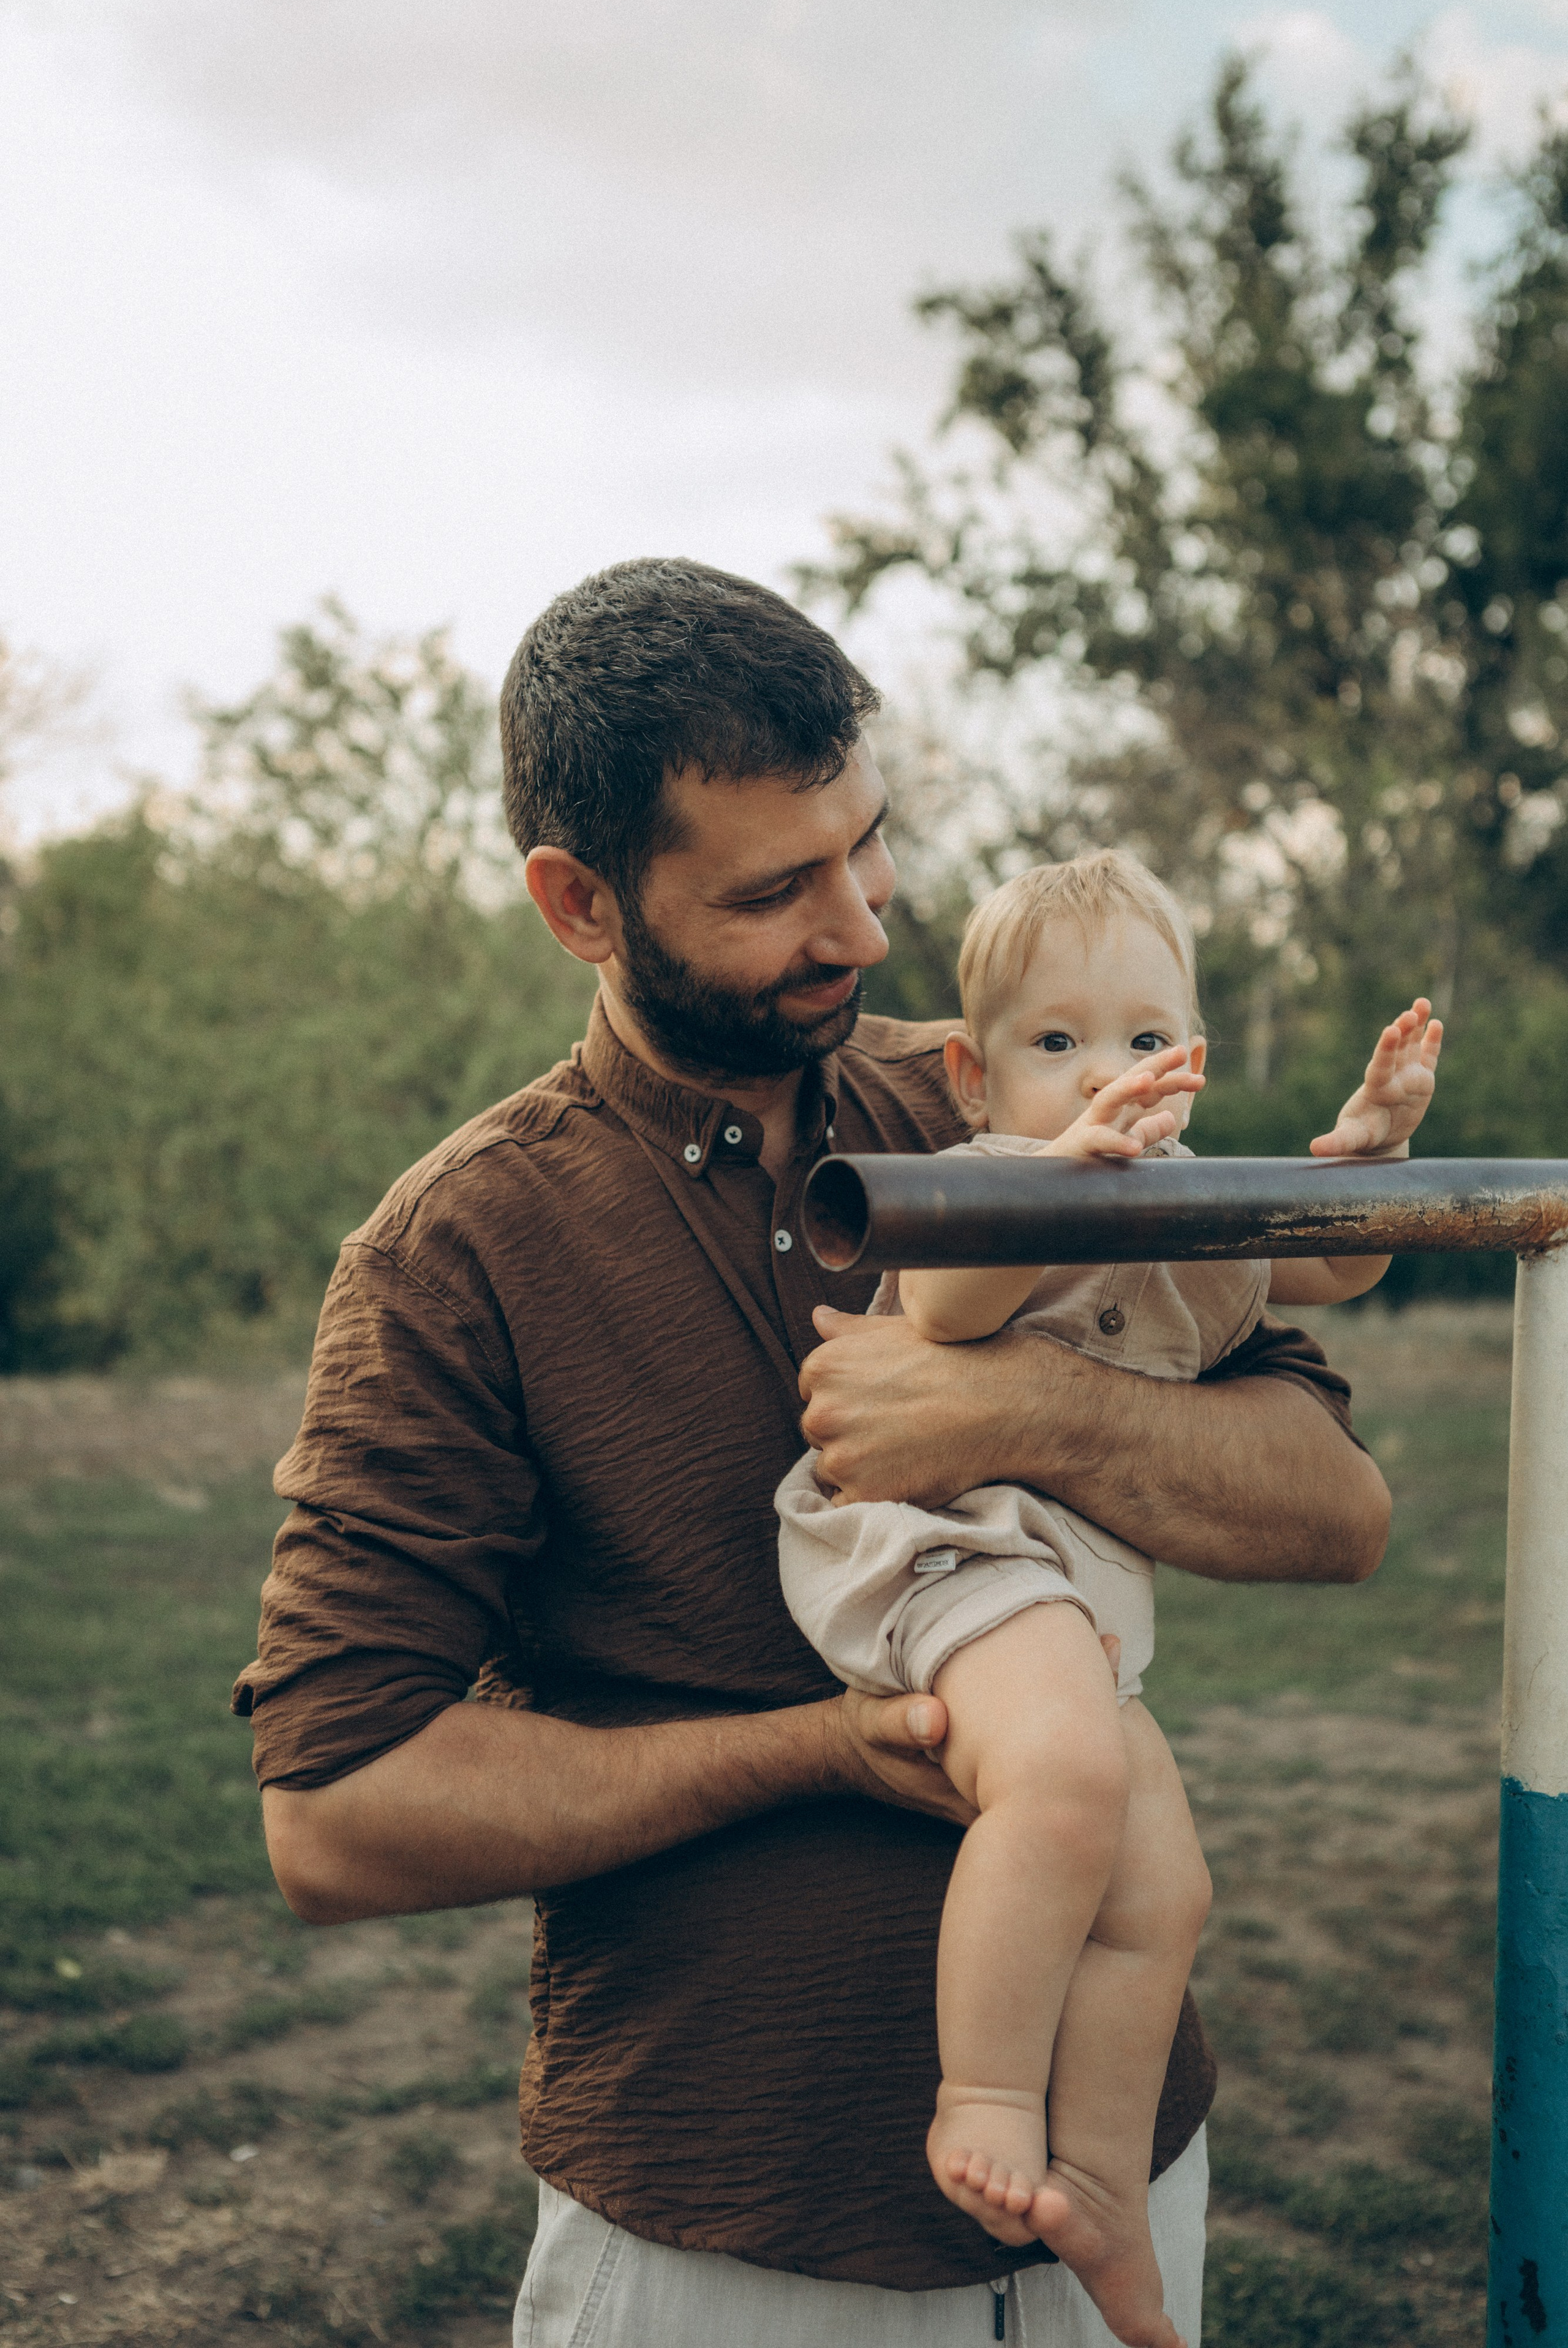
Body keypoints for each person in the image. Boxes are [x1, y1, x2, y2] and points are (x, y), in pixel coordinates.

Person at [235, 559, 1391, 2348]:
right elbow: (336, 1812)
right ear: (578, 903)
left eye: (868, 845)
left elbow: (1336, 1510)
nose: (859, 926)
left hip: (1124, 2175)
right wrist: (825, 1752)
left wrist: (1022, 1409)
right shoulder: (457, 1253)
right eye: (779, 889)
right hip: (727, 2235)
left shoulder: (1010, 1095)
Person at [777, 851, 1442, 2348]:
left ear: (1191, 1049)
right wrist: (1071, 1173)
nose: (1111, 1076)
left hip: (1055, 1590)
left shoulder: (1191, 1196)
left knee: (1161, 1895)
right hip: (935, 1546)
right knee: (1067, 1783)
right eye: (1057, 1043)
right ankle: (988, 2097)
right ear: (973, 1071)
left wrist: (1366, 1149)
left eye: (1145, 1040)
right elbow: (946, 1310)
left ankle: (1095, 2186)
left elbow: (1334, 1271)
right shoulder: (997, 1181)